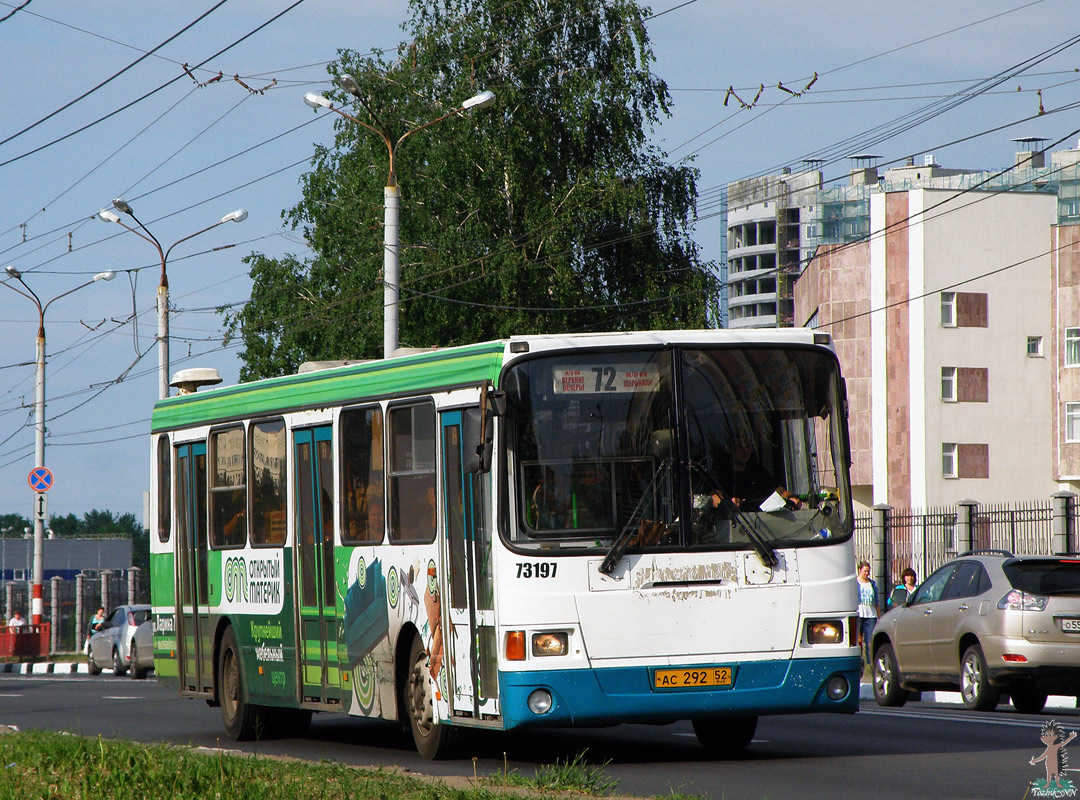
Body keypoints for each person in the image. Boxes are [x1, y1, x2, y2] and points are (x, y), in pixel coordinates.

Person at [856, 561, 878, 667]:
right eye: (865, 571)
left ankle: (871, 664)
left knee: (870, 641)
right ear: (860, 570)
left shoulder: (872, 584)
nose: (867, 573)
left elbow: (876, 602)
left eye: (868, 571)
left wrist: (879, 616)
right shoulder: (856, 583)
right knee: (858, 641)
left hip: (871, 616)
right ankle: (859, 663)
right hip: (859, 615)